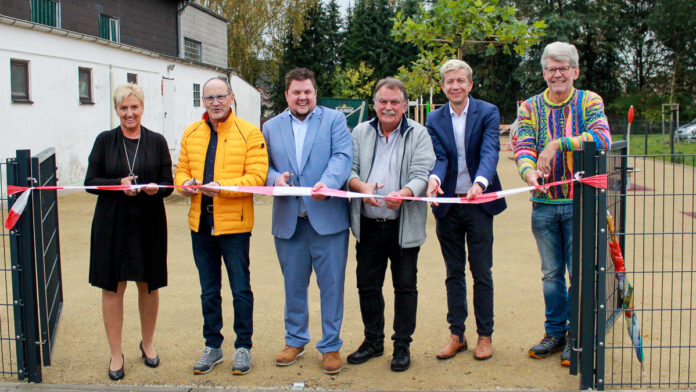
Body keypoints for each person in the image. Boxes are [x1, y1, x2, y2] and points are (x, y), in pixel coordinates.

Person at [514, 41, 611, 366]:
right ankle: (554, 333)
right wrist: (529, 173)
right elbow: (524, 146)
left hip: (578, 204)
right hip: (543, 205)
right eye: (551, 69)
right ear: (544, 72)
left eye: (563, 68)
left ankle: (576, 336)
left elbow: (601, 137)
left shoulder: (589, 101)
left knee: (577, 273)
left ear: (575, 71)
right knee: (550, 274)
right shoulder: (529, 107)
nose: (557, 74)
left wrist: (558, 143)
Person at [174, 76, 268, 376]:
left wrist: (222, 187)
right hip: (200, 224)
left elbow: (256, 178)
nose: (215, 103)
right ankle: (212, 345)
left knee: (241, 289)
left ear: (231, 98)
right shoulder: (191, 133)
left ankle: (243, 347)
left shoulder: (250, 133)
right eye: (209, 98)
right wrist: (184, 186)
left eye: (220, 97)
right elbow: (181, 171)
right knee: (208, 290)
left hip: (235, 226)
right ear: (203, 101)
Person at [262, 68, 353, 374]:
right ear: (286, 95)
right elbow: (265, 165)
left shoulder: (335, 120)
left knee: (332, 287)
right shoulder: (271, 127)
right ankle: (295, 340)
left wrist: (327, 184)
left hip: (327, 220)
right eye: (296, 92)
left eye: (308, 92)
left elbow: (342, 156)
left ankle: (330, 346)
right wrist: (276, 178)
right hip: (289, 221)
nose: (302, 97)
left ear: (316, 93)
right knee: (293, 286)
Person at [85, 82, 173, 380]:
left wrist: (153, 190)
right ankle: (115, 353)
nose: (129, 113)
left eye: (134, 107)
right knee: (113, 286)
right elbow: (90, 182)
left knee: (148, 285)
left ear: (142, 108)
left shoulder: (157, 141)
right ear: (116, 110)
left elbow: (168, 184)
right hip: (112, 223)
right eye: (123, 108)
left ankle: (147, 343)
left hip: (148, 222)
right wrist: (117, 184)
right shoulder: (104, 141)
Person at [346, 77, 435, 372]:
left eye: (394, 102)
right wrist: (362, 188)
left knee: (405, 287)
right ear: (374, 104)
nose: (388, 107)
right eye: (382, 101)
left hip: (403, 224)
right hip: (369, 224)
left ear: (404, 105)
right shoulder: (359, 131)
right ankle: (373, 341)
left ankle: (402, 345)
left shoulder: (419, 133)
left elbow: (422, 174)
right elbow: (350, 170)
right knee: (367, 286)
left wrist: (407, 193)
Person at [425, 59, 507, 361]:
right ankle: (456, 334)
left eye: (461, 81)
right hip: (447, 206)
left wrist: (480, 183)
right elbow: (440, 157)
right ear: (443, 86)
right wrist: (434, 179)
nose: (455, 86)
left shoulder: (487, 112)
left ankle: (485, 336)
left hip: (479, 204)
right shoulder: (433, 119)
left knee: (481, 271)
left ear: (470, 84)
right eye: (449, 81)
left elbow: (489, 151)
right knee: (453, 272)